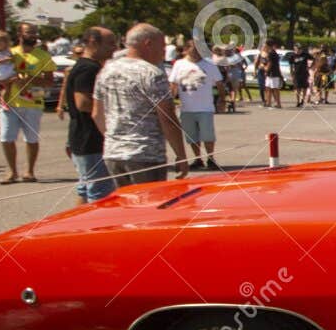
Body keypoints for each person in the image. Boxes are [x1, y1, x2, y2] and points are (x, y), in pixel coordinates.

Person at [92, 23, 187, 185]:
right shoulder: (152, 74)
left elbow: (96, 114)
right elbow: (167, 118)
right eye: (162, 46)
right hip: (146, 155)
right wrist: (181, 155)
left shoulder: (106, 71)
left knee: (125, 206)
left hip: (113, 153)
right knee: (148, 207)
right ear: (148, 44)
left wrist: (115, 139)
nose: (164, 51)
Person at [63, 26, 116, 202]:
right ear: (93, 42)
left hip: (82, 137)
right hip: (90, 138)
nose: (114, 48)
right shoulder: (88, 69)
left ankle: (77, 227)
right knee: (100, 193)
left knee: (86, 189)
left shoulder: (87, 66)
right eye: (110, 44)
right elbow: (83, 103)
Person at [0, 22, 53, 184]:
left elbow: (49, 82)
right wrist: (9, 81)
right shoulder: (9, 53)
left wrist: (31, 79)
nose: (33, 35)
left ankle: (29, 171)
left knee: (31, 139)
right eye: (29, 32)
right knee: (6, 138)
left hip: (33, 103)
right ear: (20, 34)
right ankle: (12, 172)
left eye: (35, 33)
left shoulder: (43, 56)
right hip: (10, 102)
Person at [170, 39, 222, 170]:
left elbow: (220, 83)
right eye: (194, 49)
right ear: (186, 49)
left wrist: (222, 99)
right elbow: (173, 84)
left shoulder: (209, 64)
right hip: (187, 108)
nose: (197, 52)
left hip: (205, 107)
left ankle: (211, 158)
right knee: (191, 136)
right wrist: (170, 100)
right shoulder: (179, 64)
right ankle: (197, 158)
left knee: (208, 135)